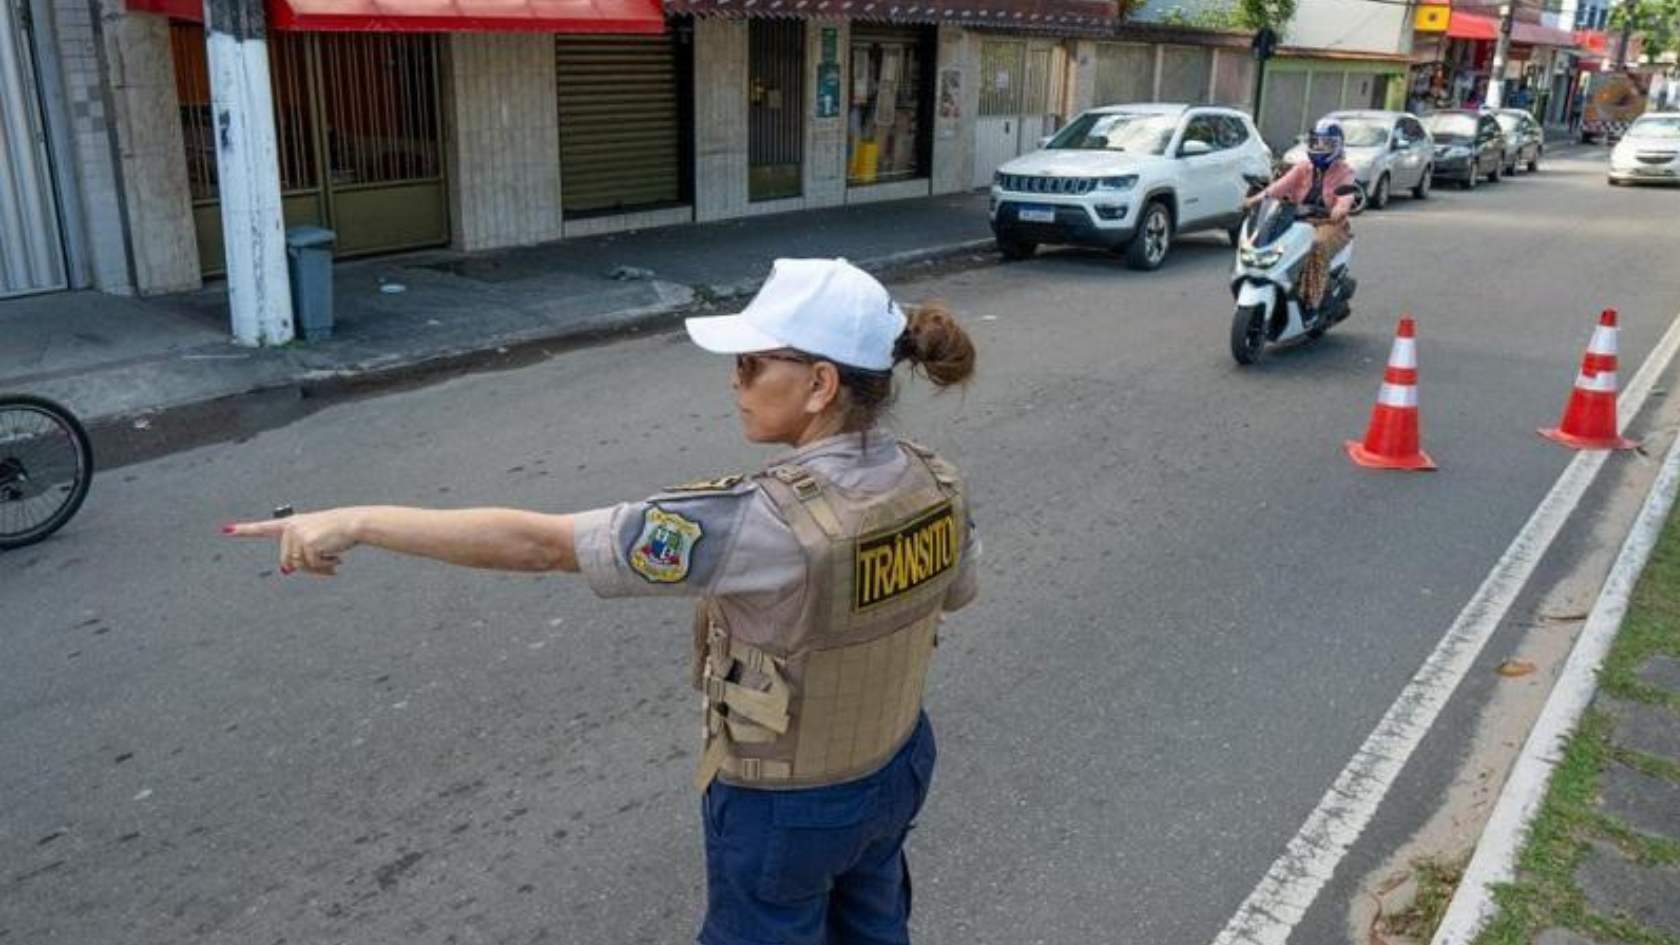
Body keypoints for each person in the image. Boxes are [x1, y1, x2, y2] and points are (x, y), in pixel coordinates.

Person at [224, 257, 982, 945]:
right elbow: (956, 596)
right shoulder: (936, 480)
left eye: (751, 363)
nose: (734, 380)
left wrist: (356, 520)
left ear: (819, 384)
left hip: (789, 805)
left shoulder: (762, 521)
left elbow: (544, 544)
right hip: (898, 765)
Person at [1246, 118, 1356, 313]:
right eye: (1316, 143)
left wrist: (1339, 209)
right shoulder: (1303, 168)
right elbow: (1279, 187)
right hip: (1299, 219)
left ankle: (1312, 299)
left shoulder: (1345, 171)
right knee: (1274, 241)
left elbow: (1346, 196)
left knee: (1317, 245)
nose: (1320, 148)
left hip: (1330, 223)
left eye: (1326, 144)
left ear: (1337, 146)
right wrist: (1255, 199)